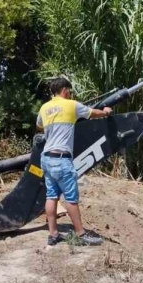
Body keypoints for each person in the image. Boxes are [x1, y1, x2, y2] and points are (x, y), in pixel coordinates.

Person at [36, 77, 112, 246]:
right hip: (62, 160)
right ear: (64, 90)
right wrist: (106, 112)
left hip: (47, 158)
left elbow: (39, 126)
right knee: (71, 198)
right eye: (68, 90)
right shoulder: (71, 105)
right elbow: (93, 113)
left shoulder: (44, 107)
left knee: (51, 195)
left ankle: (53, 234)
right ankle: (81, 234)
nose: (70, 93)